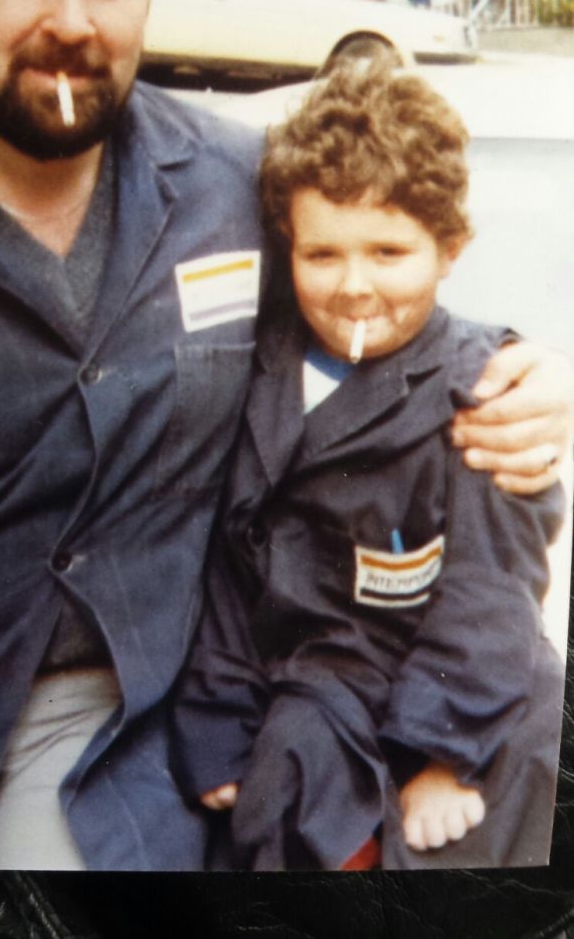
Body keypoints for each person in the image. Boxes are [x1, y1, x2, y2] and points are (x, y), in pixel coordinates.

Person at [0, 0, 569, 872]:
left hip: (207, 688)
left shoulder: (236, 184)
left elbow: (390, 297)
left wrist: (527, 376)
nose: (71, 18)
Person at [172, 61, 566, 870]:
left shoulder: (483, 387)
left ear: (450, 250)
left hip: (463, 680)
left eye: (389, 251)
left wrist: (442, 754)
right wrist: (219, 710)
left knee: (471, 842)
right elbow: (225, 562)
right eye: (323, 256)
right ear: (289, 250)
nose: (355, 287)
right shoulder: (257, 372)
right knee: (277, 805)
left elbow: (492, 593)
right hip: (320, 675)